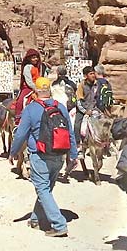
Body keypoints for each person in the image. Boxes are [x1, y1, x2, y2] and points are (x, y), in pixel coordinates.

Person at [11, 83, 82, 238]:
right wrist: (73, 154)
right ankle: (35, 219)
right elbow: (69, 132)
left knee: (42, 189)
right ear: (49, 91)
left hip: (40, 155)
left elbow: (21, 134)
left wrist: (13, 152)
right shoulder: (60, 107)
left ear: (35, 92)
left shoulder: (31, 109)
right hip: (59, 155)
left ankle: (59, 224)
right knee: (45, 189)